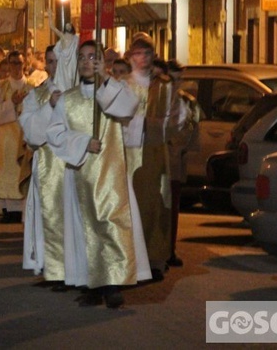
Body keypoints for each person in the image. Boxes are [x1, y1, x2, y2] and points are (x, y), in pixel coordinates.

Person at [46, 40, 151, 308]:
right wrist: (82, 143)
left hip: (111, 171)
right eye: (82, 57)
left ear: (103, 62)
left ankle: (112, 284)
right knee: (84, 229)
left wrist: (105, 80)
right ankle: (90, 283)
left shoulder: (115, 91)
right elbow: (56, 134)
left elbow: (128, 107)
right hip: (80, 171)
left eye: (93, 57)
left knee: (111, 223)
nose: (86, 62)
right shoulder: (67, 98)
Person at [123, 34, 181, 280]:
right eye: (138, 54)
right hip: (130, 153)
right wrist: (141, 124)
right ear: (130, 57)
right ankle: (132, 259)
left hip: (156, 152)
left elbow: (175, 119)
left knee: (157, 204)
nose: (143, 59)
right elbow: (117, 118)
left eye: (147, 54)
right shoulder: (123, 84)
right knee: (132, 206)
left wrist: (158, 126)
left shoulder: (164, 86)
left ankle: (156, 260)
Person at [19, 45, 65, 284]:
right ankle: (52, 267)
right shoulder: (37, 94)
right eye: (50, 61)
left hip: (72, 165)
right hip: (48, 163)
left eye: (58, 60)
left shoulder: (79, 91)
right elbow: (31, 133)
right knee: (49, 215)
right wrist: (50, 107)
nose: (54, 65)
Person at [0, 50, 33, 223]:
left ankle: (22, 209)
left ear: (24, 65)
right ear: (8, 65)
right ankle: (8, 209)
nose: (16, 67)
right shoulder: (1, 87)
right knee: (6, 172)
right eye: (13, 63)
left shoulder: (32, 87)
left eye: (19, 63)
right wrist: (11, 103)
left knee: (23, 170)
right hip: (6, 137)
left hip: (24, 136)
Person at [166, 60, 200, 267]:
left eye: (179, 80)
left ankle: (170, 249)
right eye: (172, 79)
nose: (176, 84)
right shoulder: (155, 99)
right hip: (160, 162)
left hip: (176, 163)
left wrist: (183, 147)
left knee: (173, 210)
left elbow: (194, 132)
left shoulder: (188, 102)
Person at [49, 21, 78, 92]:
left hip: (72, 61)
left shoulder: (76, 39)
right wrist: (50, 17)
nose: (68, 27)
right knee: (64, 80)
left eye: (69, 26)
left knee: (72, 79)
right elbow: (52, 27)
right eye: (67, 26)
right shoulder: (63, 36)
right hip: (63, 62)